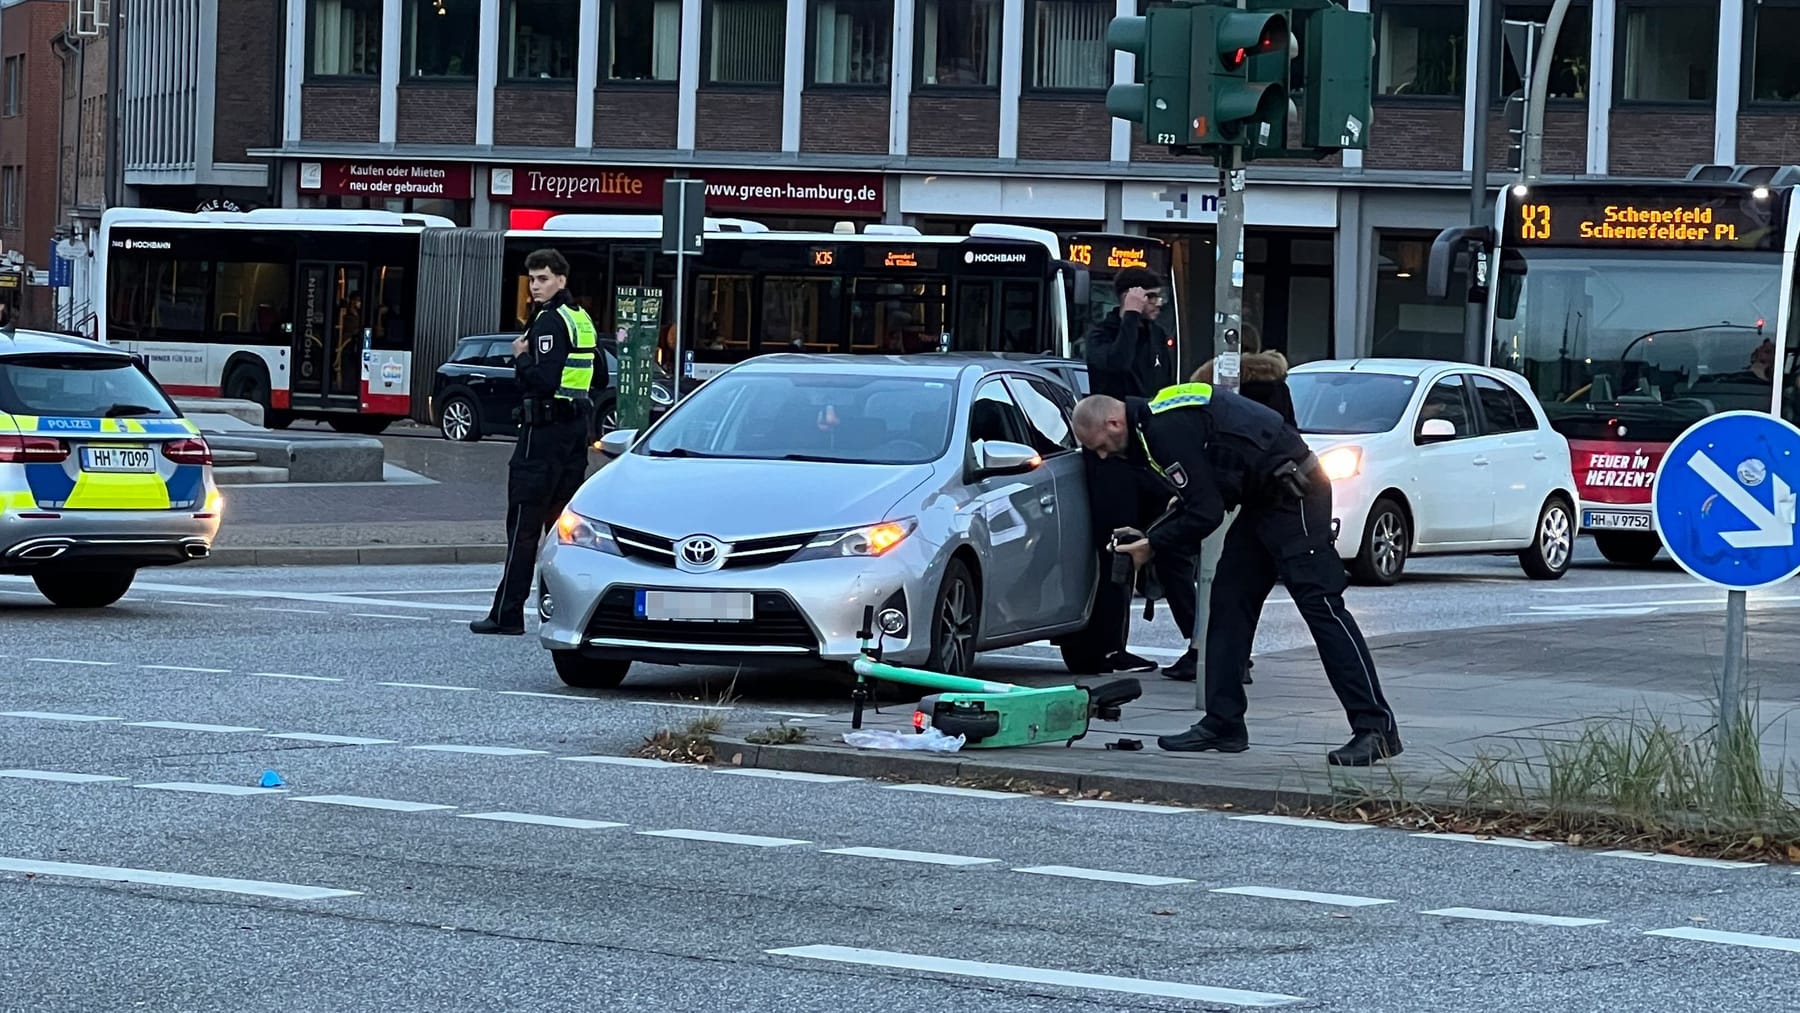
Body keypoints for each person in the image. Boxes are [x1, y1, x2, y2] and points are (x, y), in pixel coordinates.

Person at [1070, 385, 1401, 767]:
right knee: (1227, 603)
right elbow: (1207, 486)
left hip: (1295, 495)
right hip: (1262, 499)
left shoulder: (1161, 430)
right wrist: (1156, 529)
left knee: (1323, 609)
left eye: (1101, 445)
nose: (1103, 455)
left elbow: (1207, 512)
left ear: (1114, 421)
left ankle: (1376, 728)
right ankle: (1224, 723)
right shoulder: (1152, 423)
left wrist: (1153, 544)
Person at [471, 249, 605, 636]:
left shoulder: (547, 322)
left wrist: (520, 358)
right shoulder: (580, 318)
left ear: (562, 279)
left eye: (543, 279)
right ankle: (574, 613)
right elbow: (595, 377)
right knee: (565, 531)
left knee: (523, 528)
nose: (535, 287)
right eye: (531, 280)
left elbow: (543, 381)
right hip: (574, 434)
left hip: (541, 437)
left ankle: (507, 614)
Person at [1079, 267, 1197, 679]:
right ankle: (1111, 646)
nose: (1157, 303)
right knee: (1119, 551)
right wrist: (1129, 318)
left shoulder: (1157, 335)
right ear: (1129, 296)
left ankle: (1199, 644)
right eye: (1149, 296)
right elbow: (1114, 368)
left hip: (1151, 454)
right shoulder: (1104, 335)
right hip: (1115, 457)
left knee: (1173, 549)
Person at [1189, 347, 1297, 686]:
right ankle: (1224, 666)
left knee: (1231, 592)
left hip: (1249, 490)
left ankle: (1220, 669)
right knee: (1245, 590)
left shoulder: (1230, 390)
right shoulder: (1277, 383)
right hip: (1277, 488)